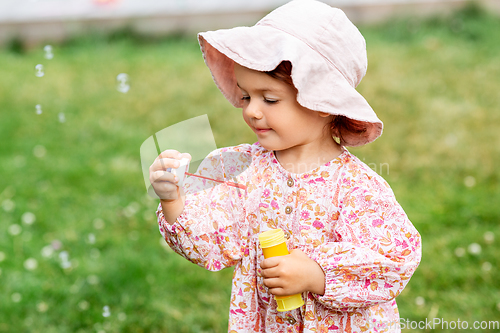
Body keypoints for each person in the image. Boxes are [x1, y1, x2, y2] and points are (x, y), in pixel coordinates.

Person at [149, 0, 421, 331]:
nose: (251, 111)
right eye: (246, 97)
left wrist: (316, 273)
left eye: (270, 99)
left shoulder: (358, 187)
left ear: (322, 103)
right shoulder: (244, 170)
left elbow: (393, 261)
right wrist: (173, 199)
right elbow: (210, 244)